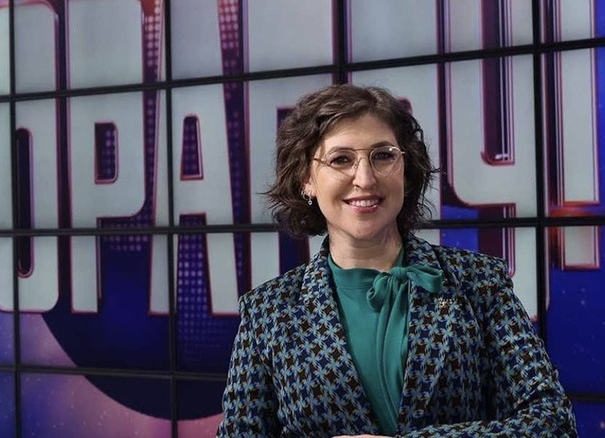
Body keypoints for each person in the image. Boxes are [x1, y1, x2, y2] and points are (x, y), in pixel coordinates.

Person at [216, 84, 577, 437]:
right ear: (306, 179)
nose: (365, 178)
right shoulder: (267, 311)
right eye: (341, 159)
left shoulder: (479, 281)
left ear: (406, 168)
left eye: (383, 155)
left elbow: (552, 422)